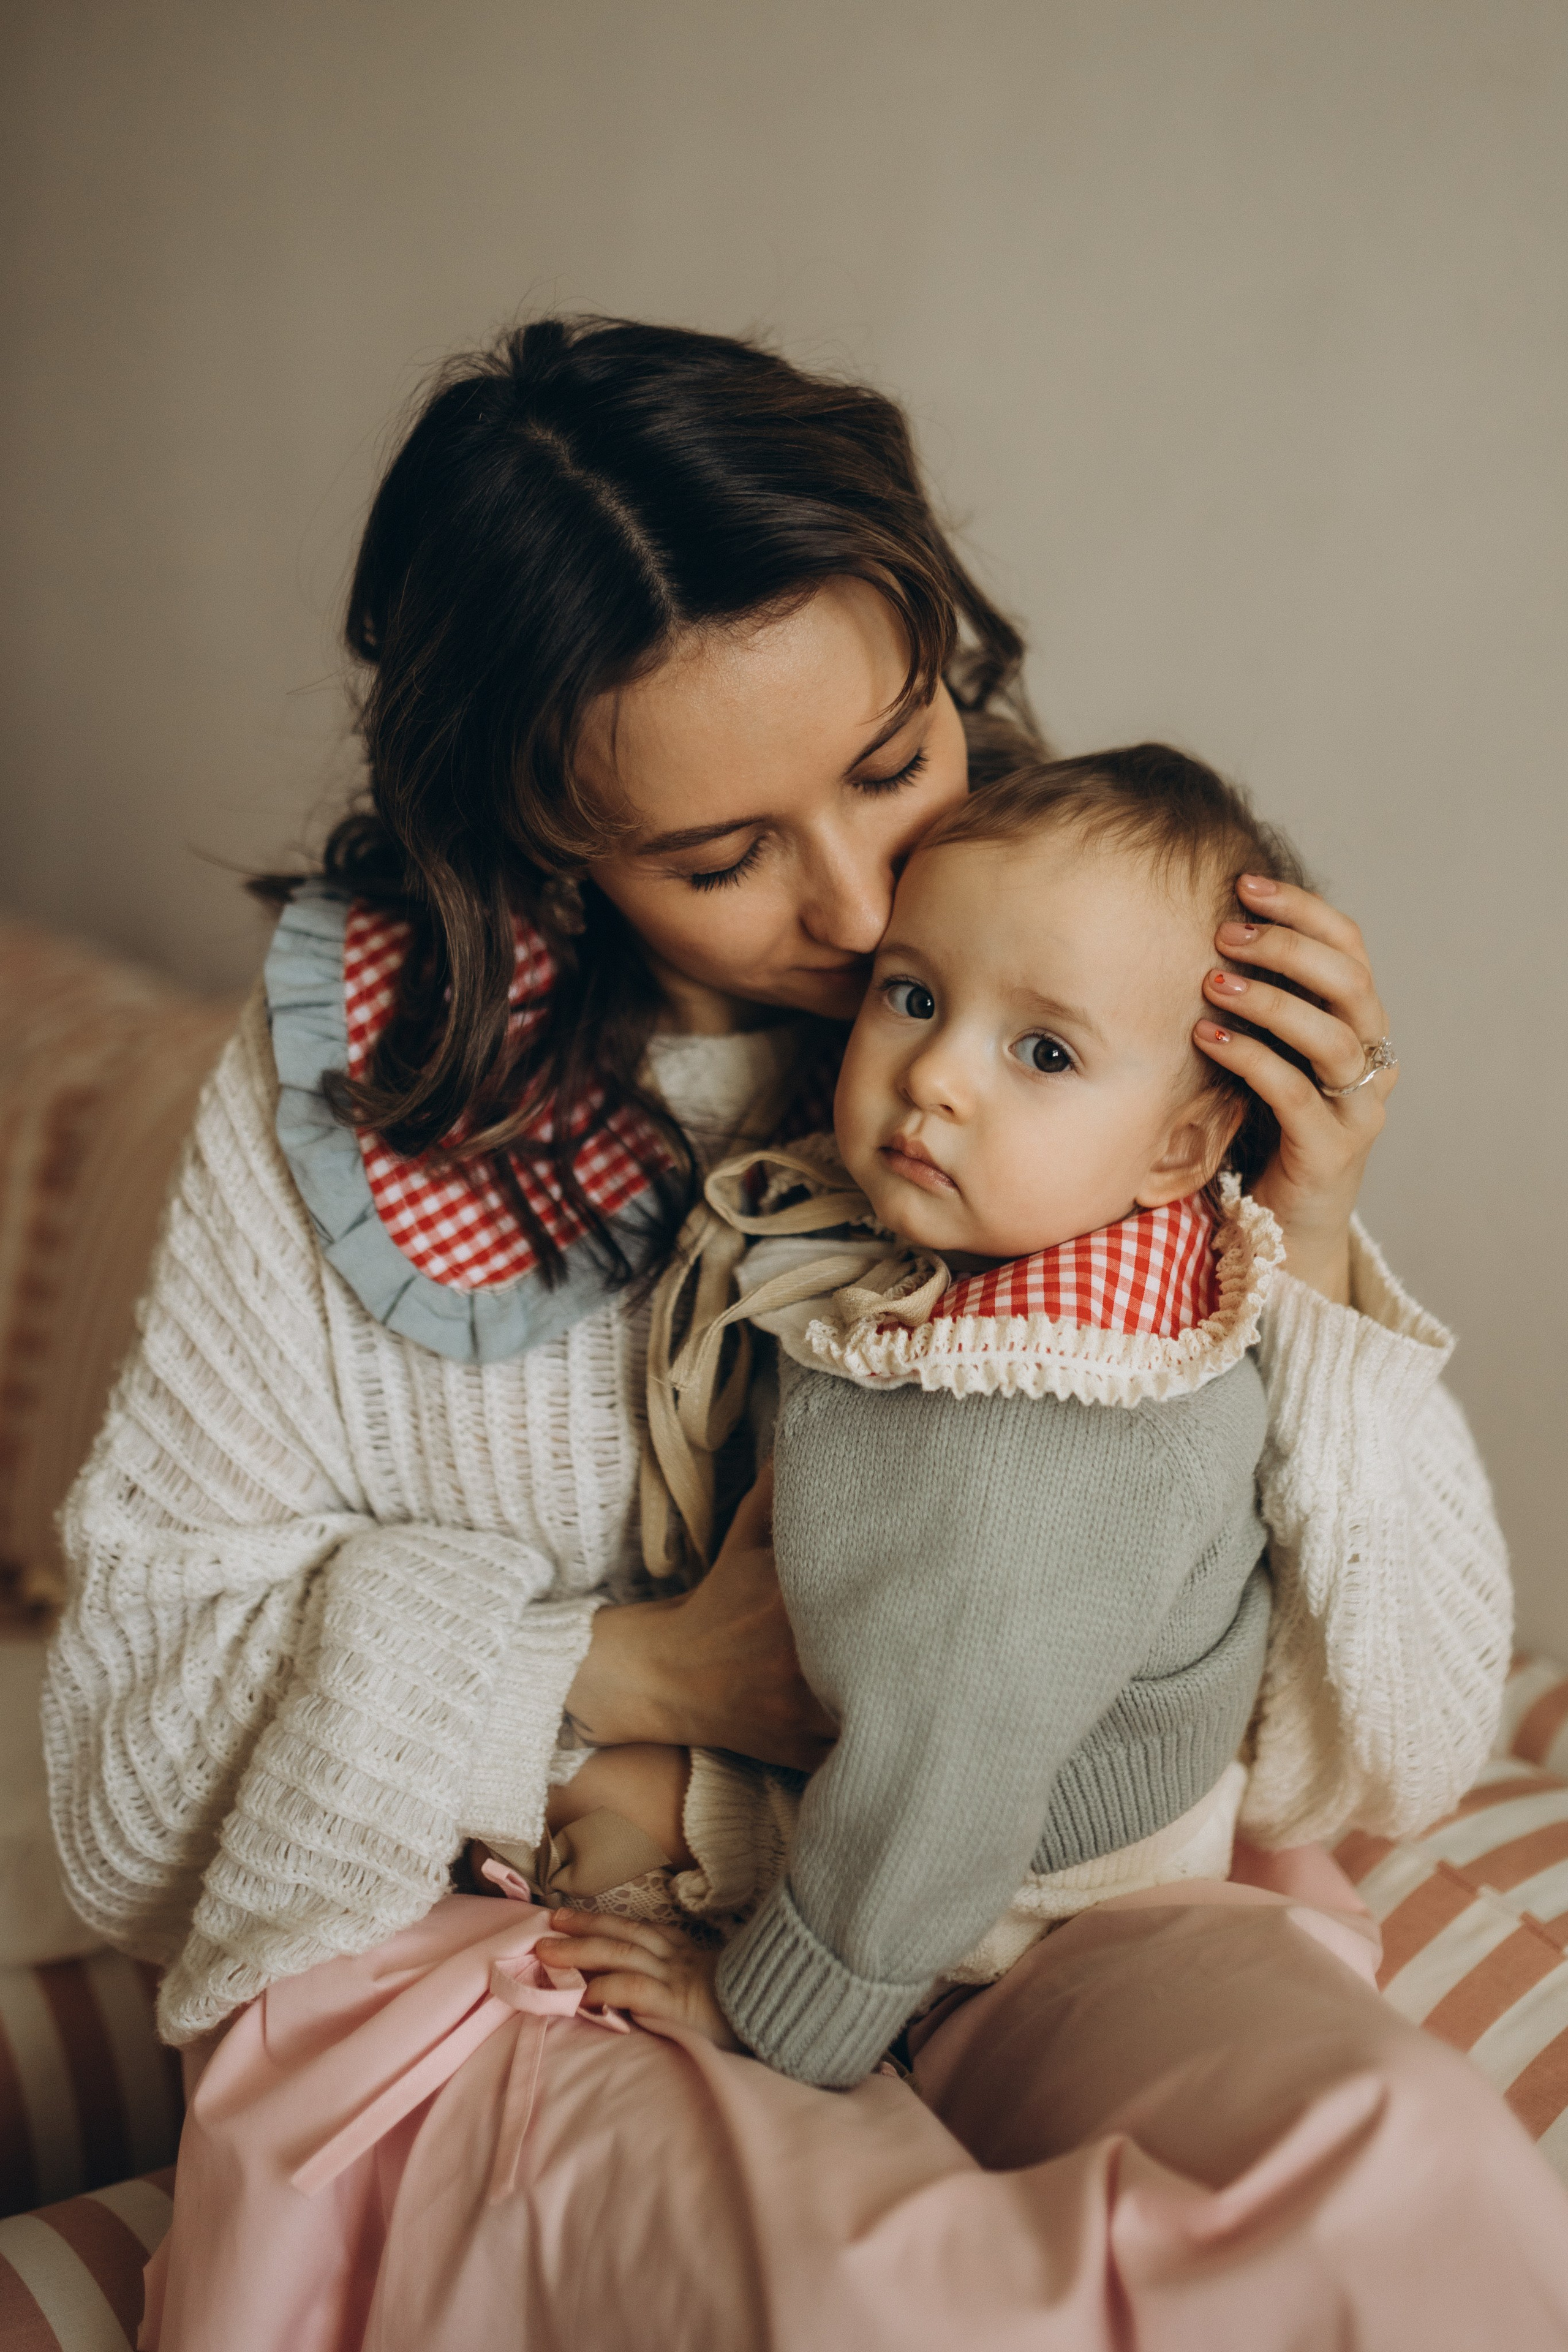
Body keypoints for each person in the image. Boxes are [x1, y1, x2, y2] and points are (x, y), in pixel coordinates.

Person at [40, 318, 1560, 2350]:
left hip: (1030, 1911)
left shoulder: (1069, 978)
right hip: (545, 1944)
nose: (858, 912)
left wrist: (1310, 1240)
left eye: (892, 762)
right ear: (541, 837)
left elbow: (1392, 1749)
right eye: (722, 856)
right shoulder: (356, 1090)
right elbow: (126, 1790)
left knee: (1420, 2183)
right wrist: (633, 1669)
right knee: (882, 2300)